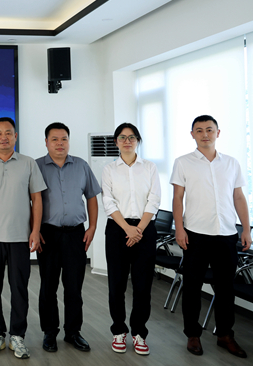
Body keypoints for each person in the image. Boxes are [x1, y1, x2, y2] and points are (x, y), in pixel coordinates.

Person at [171, 115, 253, 358]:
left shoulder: (231, 163)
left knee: (226, 288)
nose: (205, 134)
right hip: (195, 234)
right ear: (192, 134)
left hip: (226, 234)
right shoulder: (183, 162)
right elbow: (178, 198)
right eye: (199, 130)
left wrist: (246, 229)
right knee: (192, 287)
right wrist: (179, 228)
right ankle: (193, 334)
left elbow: (238, 197)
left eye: (209, 129)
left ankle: (225, 335)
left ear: (218, 133)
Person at [0, 117, 47, 359]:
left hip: (20, 237)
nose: (3, 137)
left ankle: (17, 336)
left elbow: (37, 199)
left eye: (8, 133)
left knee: (19, 289)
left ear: (15, 136)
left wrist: (35, 231)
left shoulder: (28, 163)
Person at [35, 122, 100, 353]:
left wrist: (92, 227)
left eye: (64, 139)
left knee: (74, 287)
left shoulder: (81, 166)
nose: (60, 143)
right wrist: (34, 230)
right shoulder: (36, 167)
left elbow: (92, 197)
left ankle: (73, 332)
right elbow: (30, 201)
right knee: (48, 286)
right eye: (54, 139)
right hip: (47, 234)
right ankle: (49, 332)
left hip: (76, 234)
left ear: (69, 141)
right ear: (46, 142)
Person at [101, 123, 160, 355]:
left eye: (132, 137)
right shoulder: (109, 169)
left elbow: (154, 199)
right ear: (116, 141)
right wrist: (128, 228)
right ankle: (118, 330)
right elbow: (108, 201)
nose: (127, 141)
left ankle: (139, 333)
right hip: (118, 229)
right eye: (123, 137)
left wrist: (139, 230)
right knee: (116, 284)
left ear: (138, 141)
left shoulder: (150, 167)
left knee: (142, 285)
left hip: (145, 229)